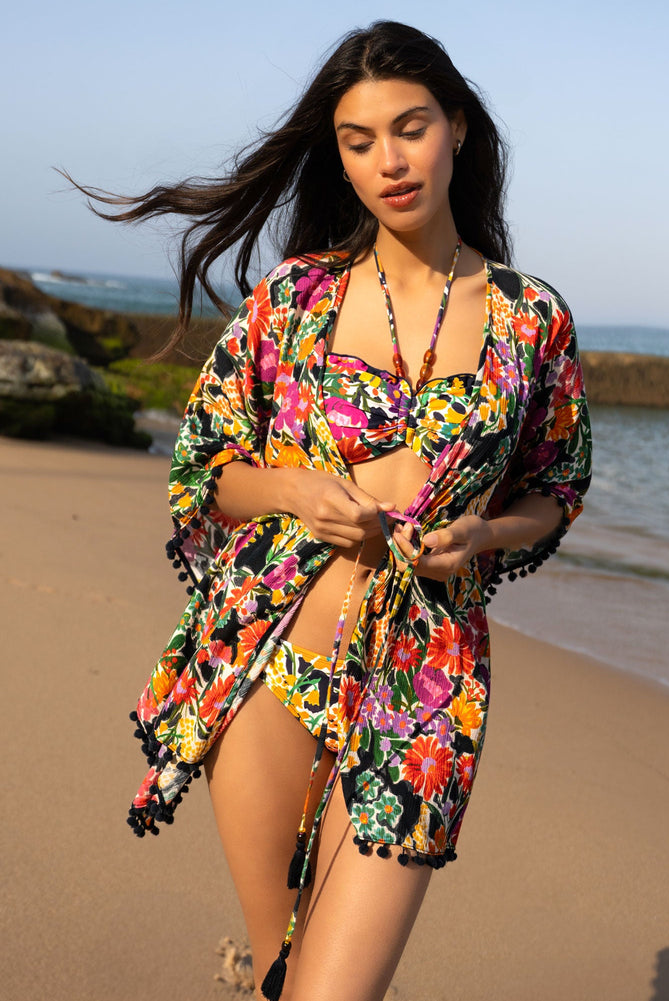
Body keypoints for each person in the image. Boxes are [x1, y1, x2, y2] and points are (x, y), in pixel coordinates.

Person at [76, 20, 591, 1001]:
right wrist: (296, 490)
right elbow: (205, 467)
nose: (388, 160)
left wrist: (485, 533)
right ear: (340, 157)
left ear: (458, 128)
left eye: (410, 128)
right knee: (287, 972)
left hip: (423, 685)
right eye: (359, 141)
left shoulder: (532, 319)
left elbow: (556, 485)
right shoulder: (294, 299)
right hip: (269, 660)